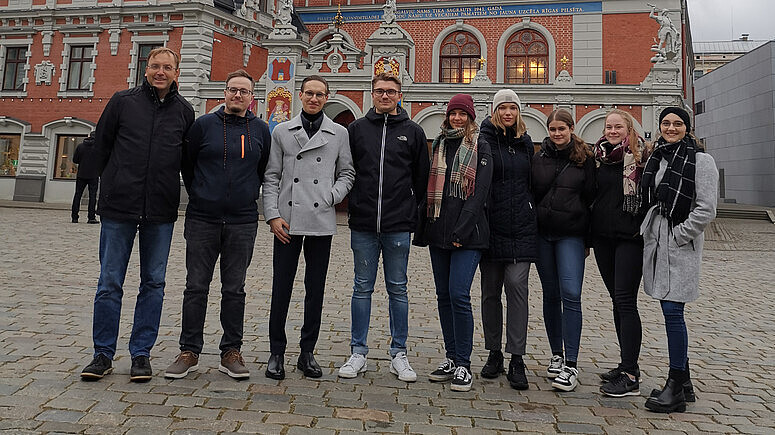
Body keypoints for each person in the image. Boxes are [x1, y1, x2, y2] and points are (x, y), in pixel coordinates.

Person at [80, 47, 195, 382]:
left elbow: (187, 164)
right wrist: (105, 191)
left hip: (160, 210)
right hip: (119, 208)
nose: (160, 72)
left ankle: (141, 353)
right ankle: (102, 354)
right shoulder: (122, 101)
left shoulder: (184, 112)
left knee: (154, 283)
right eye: (155, 66)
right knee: (109, 282)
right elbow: (100, 146)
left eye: (167, 67)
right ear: (146, 70)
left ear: (177, 72)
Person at [164, 69, 271, 380]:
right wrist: (200, 193)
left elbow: (264, 169)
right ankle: (189, 350)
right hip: (202, 218)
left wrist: (248, 194)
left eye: (243, 91)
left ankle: (231, 351)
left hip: (242, 220)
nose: (237, 95)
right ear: (224, 93)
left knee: (234, 289)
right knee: (196, 286)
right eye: (232, 90)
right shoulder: (202, 126)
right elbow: (188, 164)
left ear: (252, 98)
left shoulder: (261, 130)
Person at [337, 73, 428, 383]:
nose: (385, 96)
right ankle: (358, 351)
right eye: (380, 91)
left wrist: (409, 213)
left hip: (397, 225)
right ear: (372, 94)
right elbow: (346, 169)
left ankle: (398, 353)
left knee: (398, 289)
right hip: (363, 223)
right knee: (362, 286)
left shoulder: (413, 132)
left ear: (400, 95)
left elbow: (420, 179)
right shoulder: (356, 130)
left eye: (391, 91)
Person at [263, 75, 355, 380]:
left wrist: (331, 195)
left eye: (320, 94)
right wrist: (273, 215)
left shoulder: (339, 133)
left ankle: (307, 352)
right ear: (300, 96)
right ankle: (276, 352)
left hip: (320, 219)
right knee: (282, 287)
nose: (314, 99)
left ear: (326, 98)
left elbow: (347, 173)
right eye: (309, 93)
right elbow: (272, 176)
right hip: (287, 219)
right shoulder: (282, 131)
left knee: (315, 290)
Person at [642, 107, 718, 413]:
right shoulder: (659, 157)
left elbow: (706, 208)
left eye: (677, 123)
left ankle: (674, 385)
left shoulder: (701, 160)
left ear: (687, 127)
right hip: (660, 239)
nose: (670, 128)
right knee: (667, 307)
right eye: (665, 123)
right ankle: (684, 383)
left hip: (680, 243)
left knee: (674, 311)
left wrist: (680, 235)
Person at [417, 93, 492, 392]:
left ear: (471, 117)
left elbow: (479, 194)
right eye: (453, 113)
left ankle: (464, 363)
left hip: (468, 235)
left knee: (459, 295)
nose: (457, 118)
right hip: (439, 232)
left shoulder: (480, 146)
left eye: (463, 114)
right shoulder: (439, 145)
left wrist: (461, 231)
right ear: (446, 116)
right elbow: (429, 188)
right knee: (443, 296)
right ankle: (450, 357)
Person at [531, 108, 595, 392]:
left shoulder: (585, 159)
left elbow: (592, 199)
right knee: (551, 294)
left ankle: (571, 362)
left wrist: (588, 240)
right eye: (553, 129)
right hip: (543, 234)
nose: (557, 134)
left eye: (562, 129)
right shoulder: (539, 157)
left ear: (571, 129)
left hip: (571, 235)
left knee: (571, 293)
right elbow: (531, 193)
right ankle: (556, 353)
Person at [477, 89, 536, 390]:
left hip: (522, 227)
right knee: (490, 293)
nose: (508, 112)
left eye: (513, 107)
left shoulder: (526, 144)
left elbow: (532, 184)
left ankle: (517, 357)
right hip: (490, 227)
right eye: (503, 107)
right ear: (494, 111)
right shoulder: (483, 140)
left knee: (517, 288)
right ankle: (494, 352)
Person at [591, 109, 649, 397]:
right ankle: (626, 363)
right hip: (603, 237)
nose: (613, 131)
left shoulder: (640, 157)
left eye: (618, 127)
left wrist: (642, 227)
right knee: (616, 299)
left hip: (630, 238)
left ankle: (630, 374)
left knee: (626, 301)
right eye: (609, 127)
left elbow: (649, 196)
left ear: (629, 129)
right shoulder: (599, 158)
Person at [71, 133, 100, 224]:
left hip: (81, 174)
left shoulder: (80, 146)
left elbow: (75, 160)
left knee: (77, 195)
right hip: (93, 174)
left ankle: (74, 217)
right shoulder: (98, 147)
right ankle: (91, 217)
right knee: (92, 197)